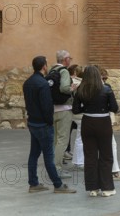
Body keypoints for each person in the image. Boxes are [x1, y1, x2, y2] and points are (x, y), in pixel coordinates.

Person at [22, 55, 76, 194]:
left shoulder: (27, 82)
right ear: (44, 66)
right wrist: (49, 122)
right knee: (48, 156)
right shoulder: (43, 83)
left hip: (33, 123)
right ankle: (58, 185)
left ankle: (33, 184)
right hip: (43, 125)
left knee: (33, 155)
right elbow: (47, 106)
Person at [72, 65, 119, 197]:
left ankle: (93, 188)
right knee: (106, 155)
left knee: (90, 156)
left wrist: (86, 109)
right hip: (103, 123)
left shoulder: (81, 90)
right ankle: (107, 188)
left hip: (87, 122)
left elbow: (75, 110)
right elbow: (114, 108)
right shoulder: (106, 89)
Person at [100, 68, 120, 181]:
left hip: (90, 121)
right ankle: (114, 171)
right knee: (112, 145)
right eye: (103, 78)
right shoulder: (106, 88)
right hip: (104, 120)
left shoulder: (87, 88)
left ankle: (104, 173)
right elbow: (113, 107)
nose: (105, 80)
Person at [49, 50, 74, 178]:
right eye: (70, 58)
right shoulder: (64, 71)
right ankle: (57, 169)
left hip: (53, 109)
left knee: (55, 140)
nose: (71, 60)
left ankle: (53, 166)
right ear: (65, 60)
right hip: (64, 109)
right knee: (62, 141)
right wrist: (73, 88)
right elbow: (64, 88)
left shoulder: (51, 71)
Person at [68, 64, 84, 170]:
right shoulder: (81, 83)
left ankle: (78, 160)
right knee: (80, 137)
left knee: (79, 137)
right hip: (80, 113)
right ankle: (79, 162)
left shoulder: (70, 81)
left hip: (72, 111)